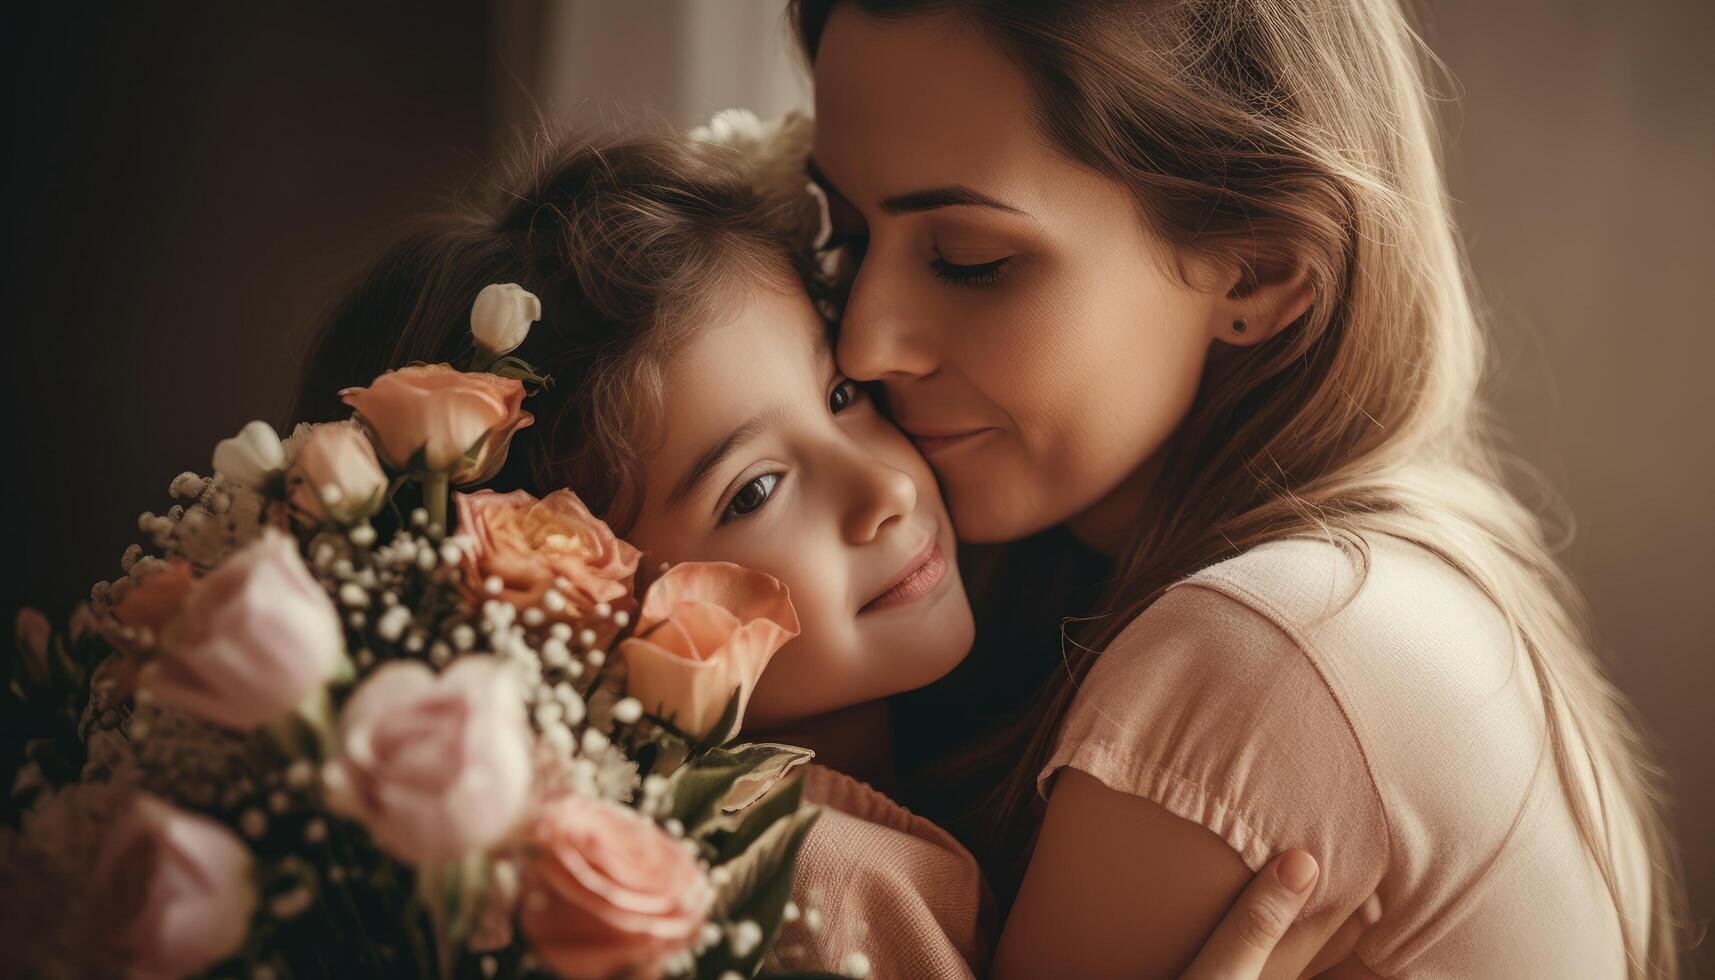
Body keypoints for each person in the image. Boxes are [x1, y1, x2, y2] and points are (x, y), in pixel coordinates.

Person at [294, 127, 1351, 977]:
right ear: (555, 613)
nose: (885, 486)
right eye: (753, 489)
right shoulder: (817, 889)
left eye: (840, 395)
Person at [790, 0, 1690, 976]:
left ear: (1257, 271)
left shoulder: (1265, 651)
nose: (863, 338)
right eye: (841, 236)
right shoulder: (1364, 565)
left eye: (972, 261)